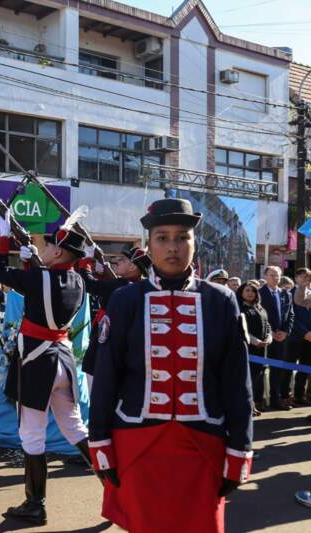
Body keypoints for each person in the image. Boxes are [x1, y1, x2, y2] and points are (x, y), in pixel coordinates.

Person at [89, 198, 253, 533]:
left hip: (204, 445)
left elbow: (237, 384)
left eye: (182, 237)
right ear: (148, 245)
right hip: (137, 444)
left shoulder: (221, 300)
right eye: (162, 238)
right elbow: (106, 378)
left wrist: (239, 450)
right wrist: (100, 443)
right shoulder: (125, 300)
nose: (173, 247)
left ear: (194, 243)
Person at [0, 209, 92, 526]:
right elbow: (44, 290)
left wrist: (3, 236)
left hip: (38, 362)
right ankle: (115, 481)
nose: (42, 248)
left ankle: (35, 504)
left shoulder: (40, 278)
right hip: (62, 361)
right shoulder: (78, 281)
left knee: (32, 435)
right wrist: (30, 263)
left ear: (58, 252)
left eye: (47, 246)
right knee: (75, 428)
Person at [78, 246, 151, 389]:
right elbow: (110, 284)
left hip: (103, 344)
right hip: (120, 347)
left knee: (96, 387)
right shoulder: (138, 286)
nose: (118, 262)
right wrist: (101, 267)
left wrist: (85, 263)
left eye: (123, 260)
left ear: (132, 267)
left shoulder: (122, 285)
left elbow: (89, 284)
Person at [259, 265, 294, 410]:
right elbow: (257, 315)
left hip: (281, 338)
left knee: (278, 371)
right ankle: (258, 401)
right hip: (264, 338)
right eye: (272, 275)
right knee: (261, 370)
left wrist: (285, 332)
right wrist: (270, 332)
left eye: (278, 275)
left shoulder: (285, 294)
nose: (275, 278)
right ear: (265, 276)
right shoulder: (259, 293)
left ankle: (276, 399)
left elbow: (290, 315)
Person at [237, 280, 271, 417]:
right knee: (247, 379)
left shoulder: (260, 308)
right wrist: (255, 341)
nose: (251, 293)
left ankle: (253, 405)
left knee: (257, 378)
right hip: (247, 349)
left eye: (253, 291)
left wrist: (269, 337)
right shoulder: (239, 308)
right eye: (247, 290)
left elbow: (267, 325)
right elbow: (239, 328)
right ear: (241, 292)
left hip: (262, 350)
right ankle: (246, 407)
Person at [288, 269, 311, 406]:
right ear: (296, 278)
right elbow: (291, 317)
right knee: (288, 368)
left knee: (305, 367)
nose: (305, 279)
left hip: (310, 339)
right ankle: (284, 396)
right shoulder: (289, 294)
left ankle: (299, 395)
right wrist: (304, 333)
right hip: (294, 337)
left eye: (307, 277)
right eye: (302, 277)